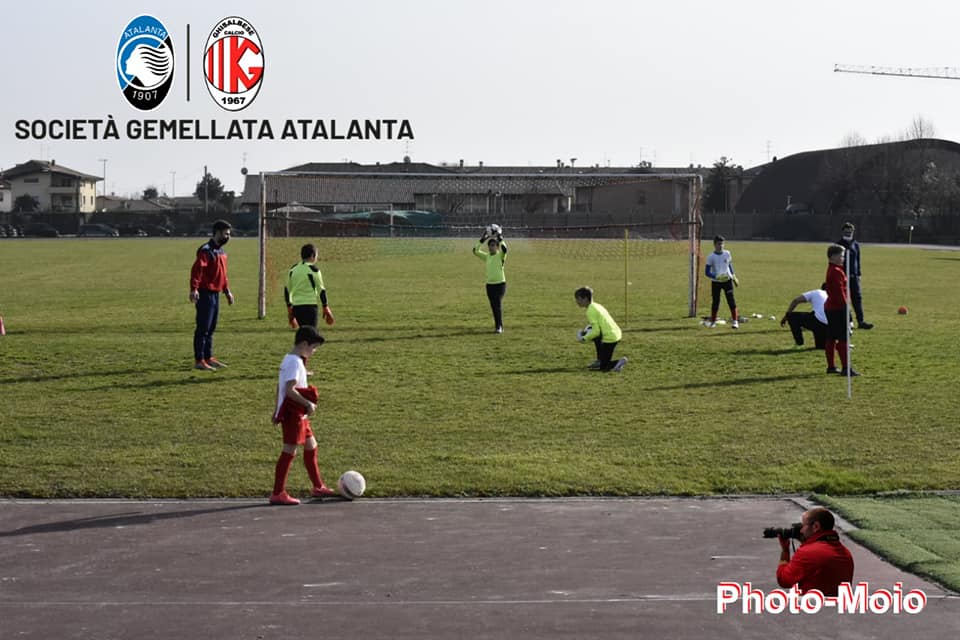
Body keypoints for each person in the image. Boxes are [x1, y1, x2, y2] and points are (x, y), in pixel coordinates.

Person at [270, 325, 339, 505]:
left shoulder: (292, 359)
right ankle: (278, 492)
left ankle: (318, 486)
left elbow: (280, 386)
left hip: (300, 414)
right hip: (294, 413)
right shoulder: (294, 362)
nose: (314, 351)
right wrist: (308, 403)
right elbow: (289, 389)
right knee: (289, 450)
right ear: (304, 344)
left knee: (311, 445)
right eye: (313, 347)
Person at [776, 507, 855, 596]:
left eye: (803, 526)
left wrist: (785, 551)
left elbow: (784, 580)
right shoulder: (846, 553)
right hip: (839, 607)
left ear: (816, 526)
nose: (801, 530)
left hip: (811, 607)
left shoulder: (807, 553)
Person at [189, 219, 234, 371]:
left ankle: (208, 357)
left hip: (216, 295)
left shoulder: (221, 252)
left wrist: (227, 291)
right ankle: (199, 359)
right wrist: (194, 289)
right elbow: (197, 271)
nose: (228, 237)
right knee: (203, 328)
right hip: (205, 294)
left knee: (211, 327)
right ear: (217, 233)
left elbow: (223, 275)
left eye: (229, 234)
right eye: (226, 234)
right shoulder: (206, 250)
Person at [824, 244, 860, 376]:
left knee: (831, 337)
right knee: (843, 338)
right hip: (838, 308)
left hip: (830, 307)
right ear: (833, 256)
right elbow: (840, 293)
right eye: (841, 256)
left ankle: (831, 366)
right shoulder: (836, 272)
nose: (843, 258)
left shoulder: (833, 269)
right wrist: (847, 311)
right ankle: (846, 368)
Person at [574, 286, 627, 372]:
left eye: (578, 299)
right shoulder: (596, 305)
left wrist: (583, 338)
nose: (576, 302)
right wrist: (587, 331)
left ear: (585, 299)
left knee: (604, 368)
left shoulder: (590, 311)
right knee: (596, 338)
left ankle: (618, 362)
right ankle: (600, 360)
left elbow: (596, 331)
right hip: (615, 332)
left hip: (610, 338)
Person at [283, 243, 335, 330]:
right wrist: (326, 307)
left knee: (304, 334)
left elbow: (287, 291)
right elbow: (321, 290)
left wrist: (290, 310)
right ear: (312, 256)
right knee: (312, 336)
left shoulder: (293, 269)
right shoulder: (314, 270)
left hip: (297, 308)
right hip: (310, 307)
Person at [836, 222, 873, 330]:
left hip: (854, 276)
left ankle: (861, 321)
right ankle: (849, 321)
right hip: (843, 276)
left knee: (857, 298)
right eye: (846, 232)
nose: (848, 233)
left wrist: (859, 274)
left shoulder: (855, 244)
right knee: (845, 299)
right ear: (843, 232)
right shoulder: (839, 244)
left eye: (850, 232)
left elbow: (858, 260)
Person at [473, 226, 508, 333]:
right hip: (489, 285)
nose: (490, 247)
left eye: (493, 245)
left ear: (497, 247)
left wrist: (500, 237)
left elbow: (505, 249)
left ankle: (499, 327)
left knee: (497, 304)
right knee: (493, 306)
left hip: (500, 285)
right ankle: (498, 325)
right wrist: (483, 239)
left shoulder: (501, 256)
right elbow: (475, 250)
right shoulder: (487, 256)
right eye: (489, 246)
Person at [704, 235, 740, 329]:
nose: (721, 246)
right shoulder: (710, 257)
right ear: (714, 244)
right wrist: (716, 277)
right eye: (719, 244)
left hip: (727, 281)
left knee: (731, 301)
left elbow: (729, 265)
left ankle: (735, 322)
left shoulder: (727, 253)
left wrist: (734, 276)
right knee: (716, 302)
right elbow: (707, 272)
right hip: (716, 282)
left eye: (722, 244)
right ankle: (713, 322)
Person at [780, 284, 828, 350]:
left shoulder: (817, 292)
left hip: (818, 322)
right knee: (820, 347)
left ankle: (799, 344)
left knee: (792, 316)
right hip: (829, 326)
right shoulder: (834, 295)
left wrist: (786, 317)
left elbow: (796, 301)